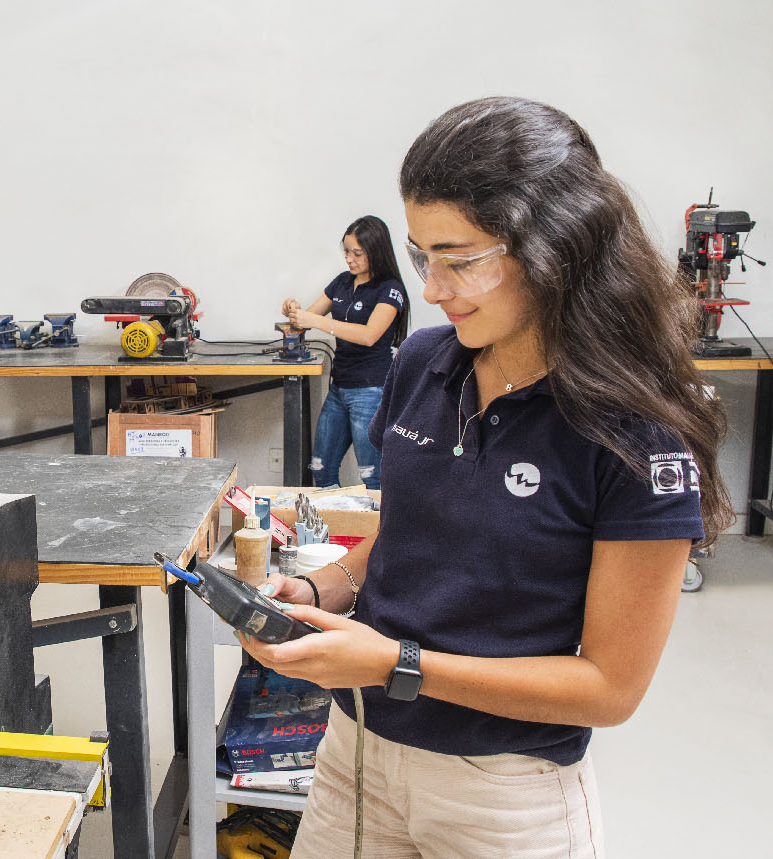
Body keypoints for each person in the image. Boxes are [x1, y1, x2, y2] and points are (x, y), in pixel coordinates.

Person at [241, 97, 732, 858]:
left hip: (504, 791)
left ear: (556, 246)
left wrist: (395, 663)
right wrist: (321, 588)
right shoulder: (422, 364)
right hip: (357, 751)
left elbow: (610, 687)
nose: (432, 289)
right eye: (419, 257)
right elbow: (409, 527)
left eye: (460, 259)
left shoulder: (636, 430)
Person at [282, 215, 408, 489]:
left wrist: (316, 322)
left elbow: (369, 335)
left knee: (372, 477)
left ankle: (375, 530)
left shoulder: (390, 290)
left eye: (357, 253)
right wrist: (293, 310)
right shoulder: (341, 282)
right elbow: (304, 319)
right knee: (321, 468)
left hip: (370, 390)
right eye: (347, 252)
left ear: (375, 251)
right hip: (339, 389)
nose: (350, 259)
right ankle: (334, 530)